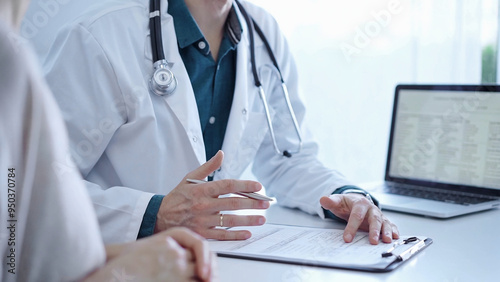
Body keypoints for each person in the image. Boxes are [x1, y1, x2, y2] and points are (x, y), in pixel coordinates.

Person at [36, 0, 399, 245]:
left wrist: (348, 195)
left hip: (220, 259)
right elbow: (33, 187)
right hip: (123, 262)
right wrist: (152, 214)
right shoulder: (101, 37)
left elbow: (289, 160)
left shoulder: (264, 34)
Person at [0, 0, 215, 280]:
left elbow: (25, 252)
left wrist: (126, 256)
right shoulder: (14, 62)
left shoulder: (11, 54)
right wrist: (145, 232)